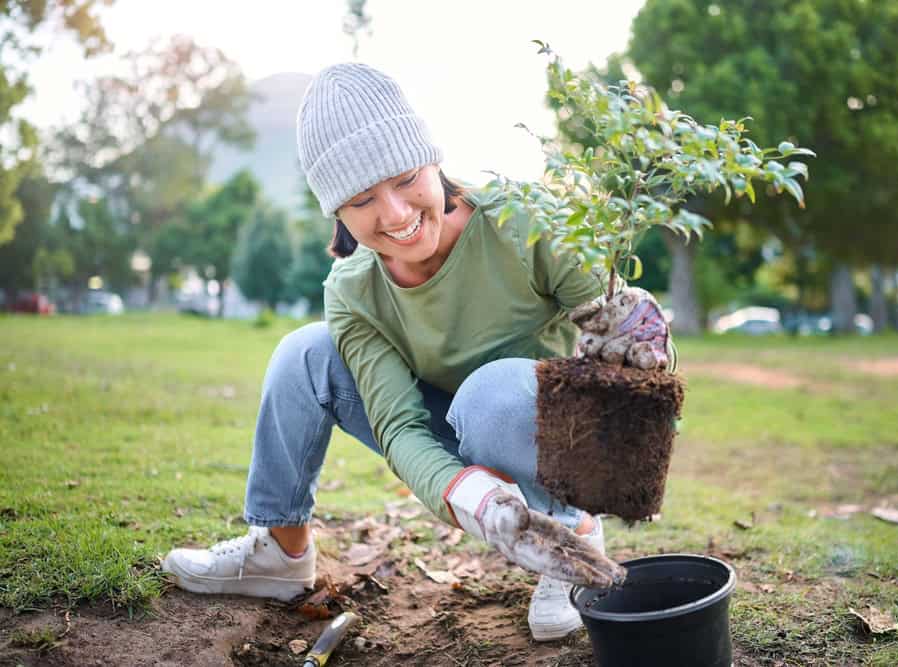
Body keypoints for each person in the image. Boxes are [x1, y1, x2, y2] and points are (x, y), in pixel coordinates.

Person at [162, 63, 643, 642]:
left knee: (489, 393)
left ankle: (573, 535)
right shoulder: (352, 289)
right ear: (337, 212)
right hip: (452, 441)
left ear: (435, 161)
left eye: (405, 178)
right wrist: (474, 500)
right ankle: (279, 554)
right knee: (305, 353)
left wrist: (636, 335)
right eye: (362, 199)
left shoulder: (523, 219)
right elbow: (399, 426)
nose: (393, 214)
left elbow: (623, 350)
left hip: (539, 427)